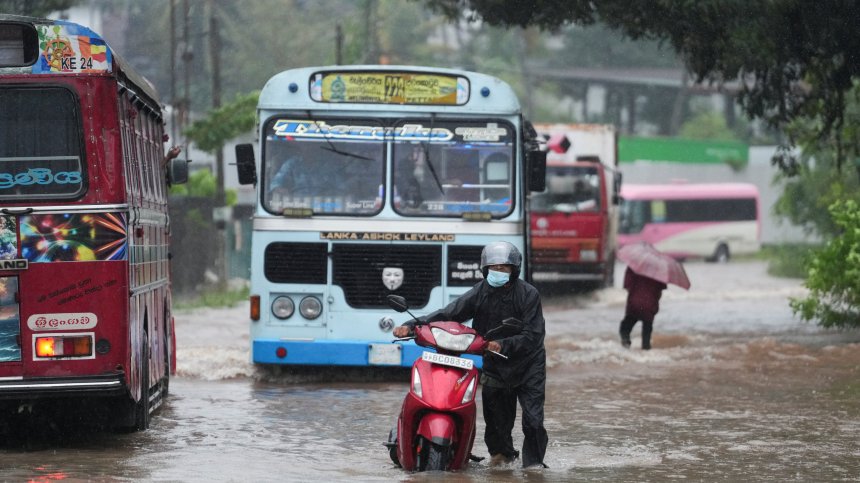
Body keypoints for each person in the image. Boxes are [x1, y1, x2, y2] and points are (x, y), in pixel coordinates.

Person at [393, 241, 548, 468]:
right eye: (494, 269)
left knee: (533, 421)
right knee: (496, 424)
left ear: (515, 270)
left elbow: (533, 335)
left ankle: (534, 467)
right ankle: (503, 461)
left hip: (528, 365)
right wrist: (411, 325)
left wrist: (502, 345)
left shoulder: (529, 294)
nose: (499, 273)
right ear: (485, 270)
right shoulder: (480, 292)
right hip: (494, 364)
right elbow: (450, 313)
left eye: (504, 268)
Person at [619, 266, 667, 350]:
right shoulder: (659, 270)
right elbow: (660, 291)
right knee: (646, 340)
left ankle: (626, 344)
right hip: (650, 306)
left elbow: (627, 287)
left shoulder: (632, 267)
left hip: (634, 305)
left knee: (624, 329)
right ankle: (646, 355)